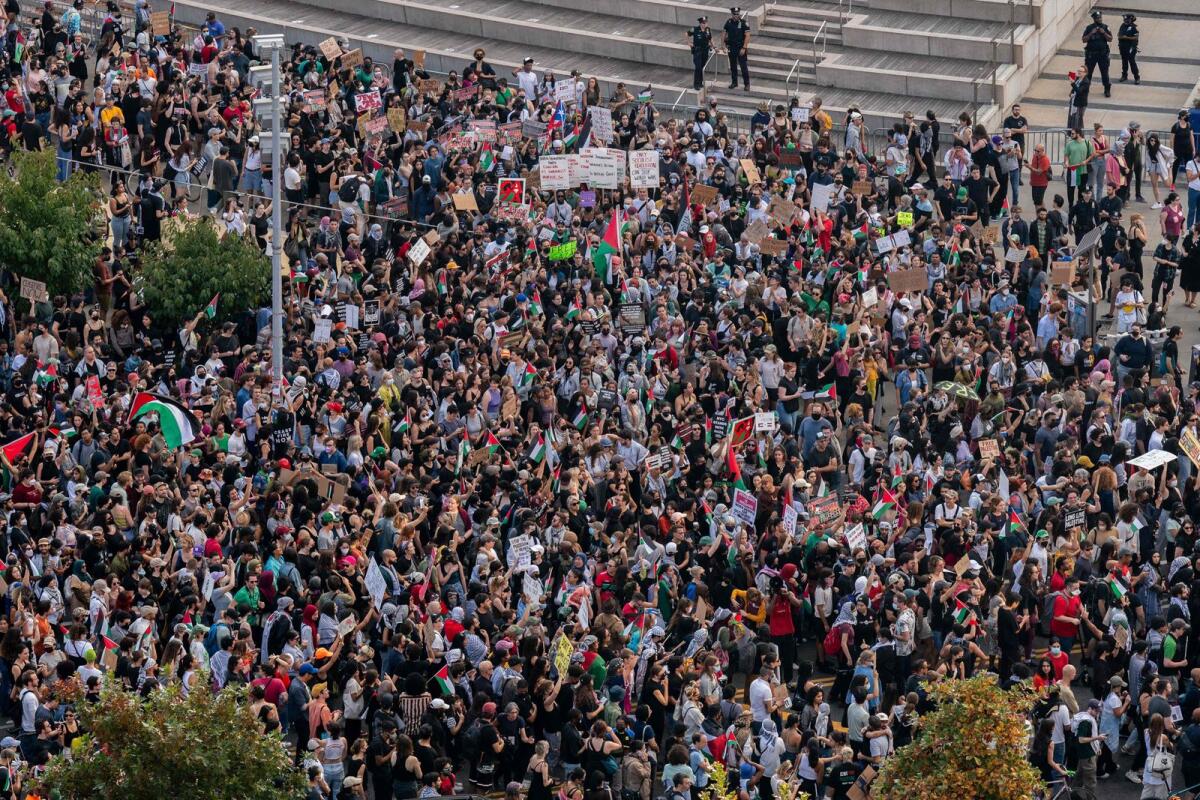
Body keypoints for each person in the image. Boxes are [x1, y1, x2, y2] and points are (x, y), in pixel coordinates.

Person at [1082, 10, 1113, 97]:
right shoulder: (1089, 28)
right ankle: (1085, 89)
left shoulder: (1105, 27)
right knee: (1088, 73)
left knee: (1104, 73)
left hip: (1102, 55)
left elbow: (1110, 39)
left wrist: (1104, 33)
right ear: (1094, 19)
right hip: (1091, 55)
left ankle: (1107, 89)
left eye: (1100, 17)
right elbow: (1084, 40)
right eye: (1098, 18)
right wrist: (1091, 33)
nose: (1100, 19)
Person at [723, 7, 750, 91]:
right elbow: (724, 33)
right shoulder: (729, 22)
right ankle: (734, 82)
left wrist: (744, 47)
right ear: (732, 14)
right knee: (733, 66)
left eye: (738, 14)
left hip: (740, 47)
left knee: (743, 67)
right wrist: (723, 46)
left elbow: (748, 36)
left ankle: (747, 84)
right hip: (731, 47)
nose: (736, 15)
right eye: (735, 14)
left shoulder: (743, 23)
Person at [687, 17, 713, 91]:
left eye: (706, 23)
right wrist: (689, 43)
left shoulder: (708, 30)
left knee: (702, 67)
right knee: (698, 67)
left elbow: (710, 38)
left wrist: (714, 46)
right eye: (703, 23)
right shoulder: (695, 29)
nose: (705, 24)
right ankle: (696, 84)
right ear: (700, 23)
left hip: (705, 50)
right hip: (697, 51)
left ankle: (700, 82)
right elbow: (686, 34)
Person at [1118, 14, 1140, 84]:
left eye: (1127, 20)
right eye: (1124, 20)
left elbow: (1136, 37)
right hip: (1123, 47)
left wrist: (1126, 37)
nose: (1125, 21)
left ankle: (1137, 77)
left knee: (1132, 62)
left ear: (1131, 20)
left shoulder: (1134, 27)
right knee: (1124, 62)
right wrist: (1122, 37)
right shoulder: (1122, 25)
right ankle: (1124, 75)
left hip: (1131, 48)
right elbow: (1119, 35)